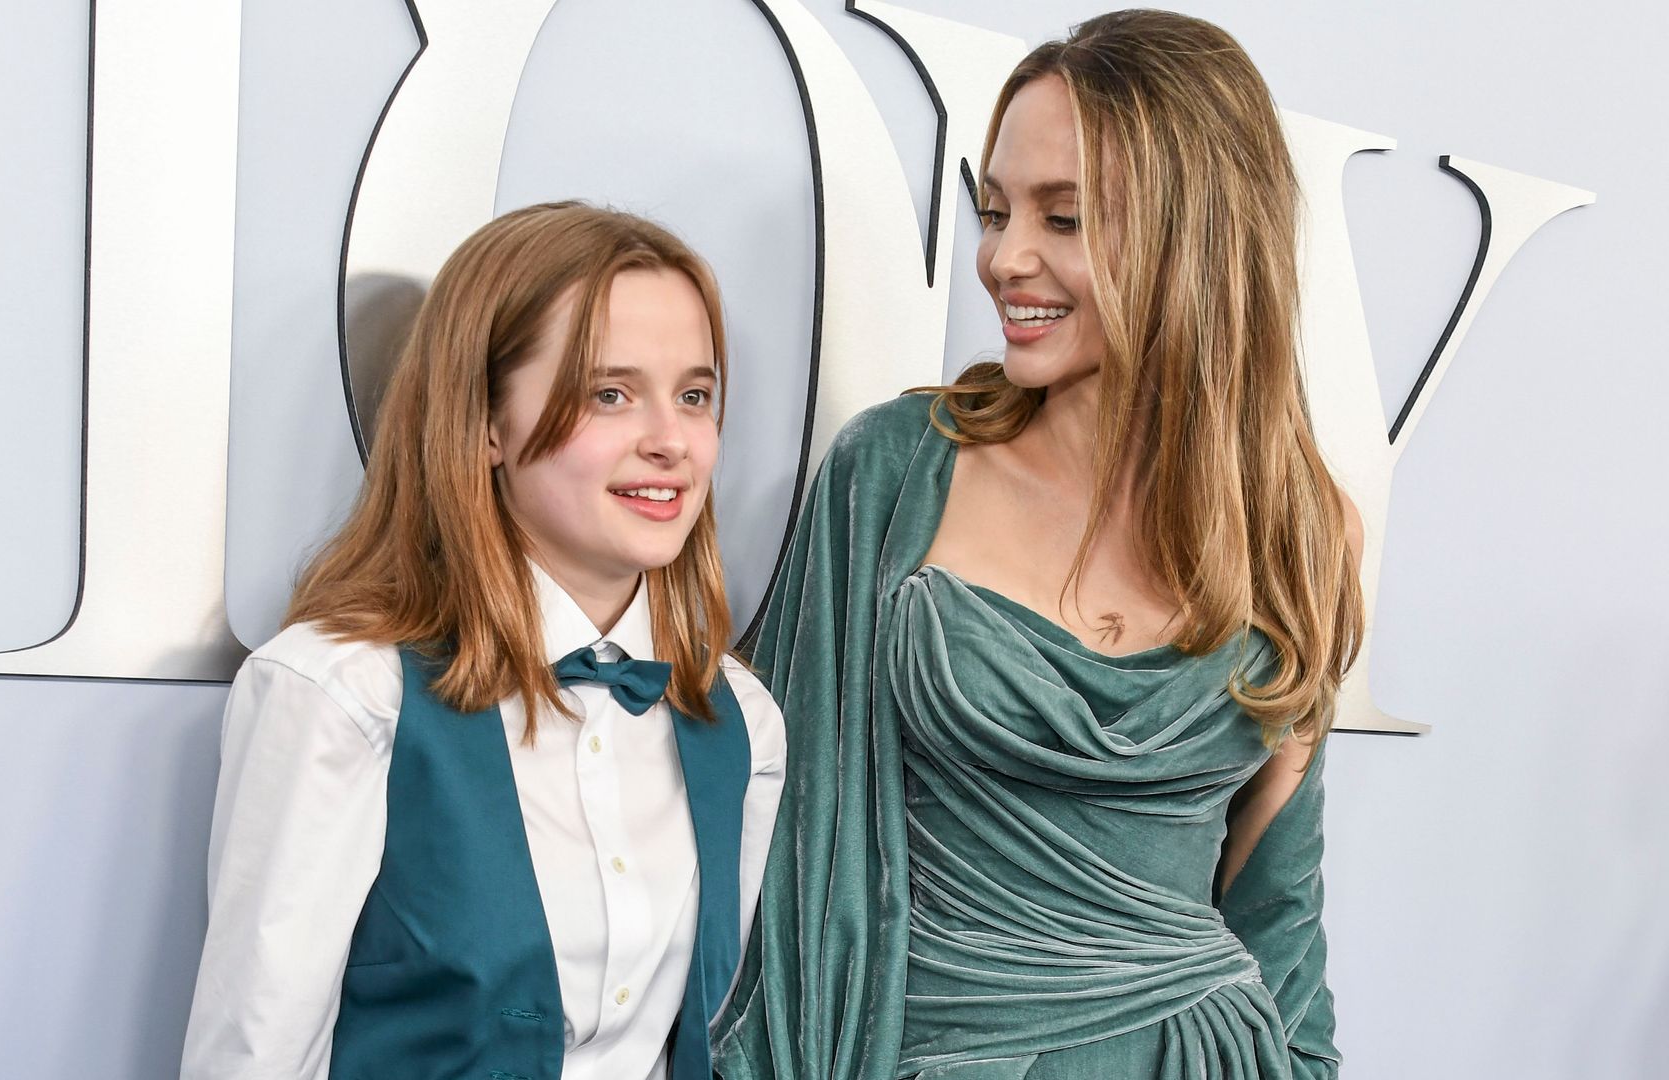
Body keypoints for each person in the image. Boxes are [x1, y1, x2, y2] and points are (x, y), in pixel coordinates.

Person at [714, 11, 1359, 1080]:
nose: (1004, 259)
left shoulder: (1300, 526)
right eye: (997, 210)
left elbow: (1277, 901)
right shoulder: (894, 473)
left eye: (1065, 219)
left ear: (1192, 235)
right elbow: (786, 844)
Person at [179, 202, 786, 1080]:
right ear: (486, 425)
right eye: (608, 394)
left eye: (694, 396)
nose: (670, 442)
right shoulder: (344, 694)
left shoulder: (744, 723)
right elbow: (254, 1059)